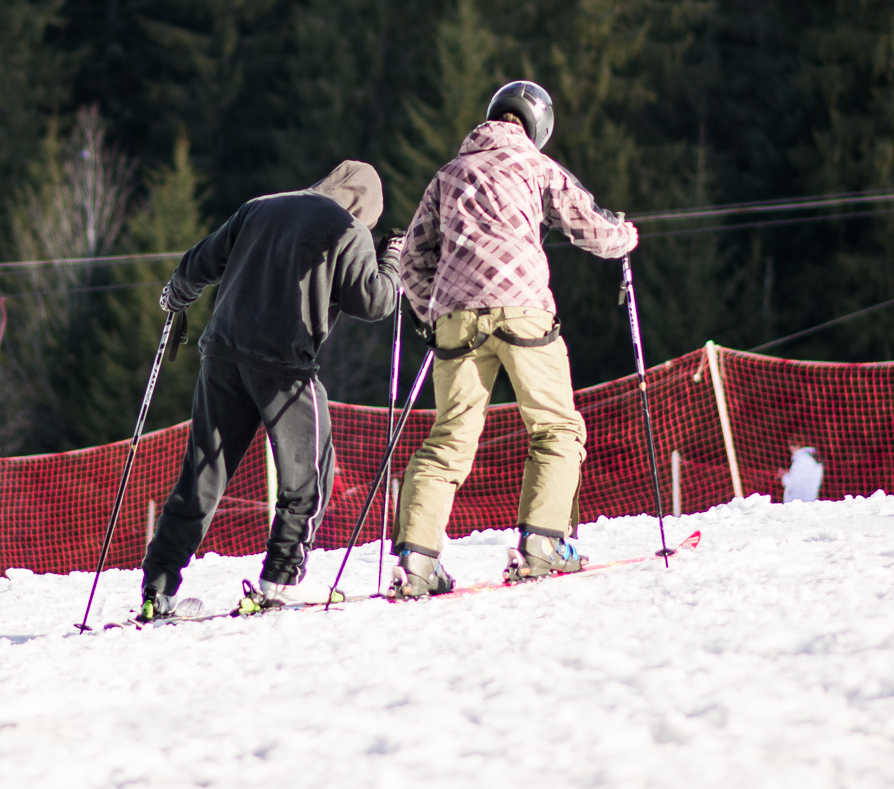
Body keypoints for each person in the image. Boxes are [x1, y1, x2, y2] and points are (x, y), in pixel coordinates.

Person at [391, 81, 640, 596]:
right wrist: (625, 236)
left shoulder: (449, 174)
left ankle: (416, 563)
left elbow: (412, 259)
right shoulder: (537, 167)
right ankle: (541, 546)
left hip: (456, 318)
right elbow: (591, 228)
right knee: (557, 428)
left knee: (449, 440)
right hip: (524, 310)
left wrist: (427, 316)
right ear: (537, 126)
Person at [141, 161, 403, 619]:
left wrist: (175, 297)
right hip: (284, 365)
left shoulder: (260, 207)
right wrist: (393, 259)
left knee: (203, 473)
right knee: (312, 471)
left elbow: (198, 263)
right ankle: (281, 578)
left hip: (221, 356)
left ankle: (158, 587)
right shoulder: (349, 228)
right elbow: (375, 301)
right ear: (367, 206)